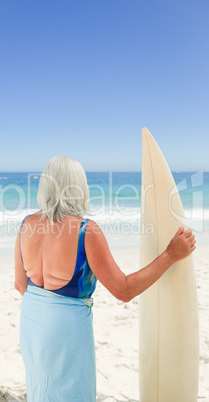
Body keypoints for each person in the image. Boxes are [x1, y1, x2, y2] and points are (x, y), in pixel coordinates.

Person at [14, 156, 196, 402]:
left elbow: (20, 284)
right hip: (65, 326)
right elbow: (124, 290)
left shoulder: (27, 224)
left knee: (41, 388)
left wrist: (46, 308)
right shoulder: (85, 230)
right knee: (72, 390)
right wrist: (170, 254)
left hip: (32, 319)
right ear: (79, 187)